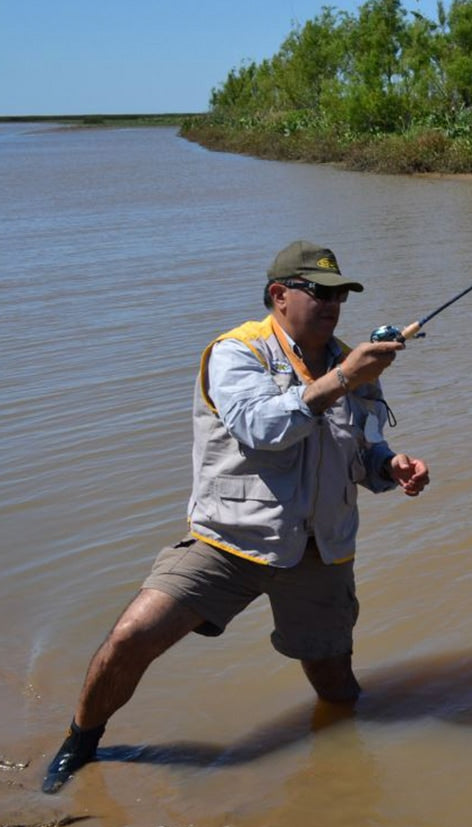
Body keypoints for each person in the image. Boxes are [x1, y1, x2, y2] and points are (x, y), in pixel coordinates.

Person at [41, 240, 430, 793]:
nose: (333, 304)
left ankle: (344, 773)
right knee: (131, 637)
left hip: (321, 547)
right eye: (318, 292)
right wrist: (344, 378)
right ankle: (79, 743)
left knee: (337, 683)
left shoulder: (354, 364)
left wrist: (395, 465)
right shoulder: (236, 352)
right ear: (279, 295)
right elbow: (262, 428)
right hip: (229, 541)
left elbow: (364, 453)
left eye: (339, 294)